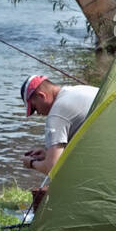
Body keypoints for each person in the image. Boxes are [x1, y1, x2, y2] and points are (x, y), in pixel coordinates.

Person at [20, 74, 99, 209]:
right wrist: (47, 154)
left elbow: (52, 169)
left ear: (41, 96)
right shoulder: (80, 90)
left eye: (34, 108)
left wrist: (31, 163)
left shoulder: (57, 113)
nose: (37, 113)